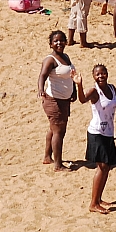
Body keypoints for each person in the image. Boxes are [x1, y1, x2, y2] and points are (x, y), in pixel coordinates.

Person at [73, 64, 116, 214]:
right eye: (97, 74)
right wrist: (79, 84)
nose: (101, 76)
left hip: (108, 133)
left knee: (107, 167)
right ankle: (93, 203)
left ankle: (99, 199)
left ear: (107, 74)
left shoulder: (112, 88)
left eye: (103, 73)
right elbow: (82, 100)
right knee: (101, 167)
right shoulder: (94, 91)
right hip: (96, 133)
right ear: (93, 77)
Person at [37, 30, 76, 172]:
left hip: (64, 100)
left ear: (66, 42)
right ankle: (58, 165)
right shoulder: (50, 60)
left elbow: (71, 76)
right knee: (59, 131)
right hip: (53, 100)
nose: (59, 43)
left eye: (61, 40)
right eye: (56, 41)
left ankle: (47, 156)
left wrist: (74, 91)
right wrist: (40, 90)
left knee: (54, 129)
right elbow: (42, 75)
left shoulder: (65, 57)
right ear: (51, 45)